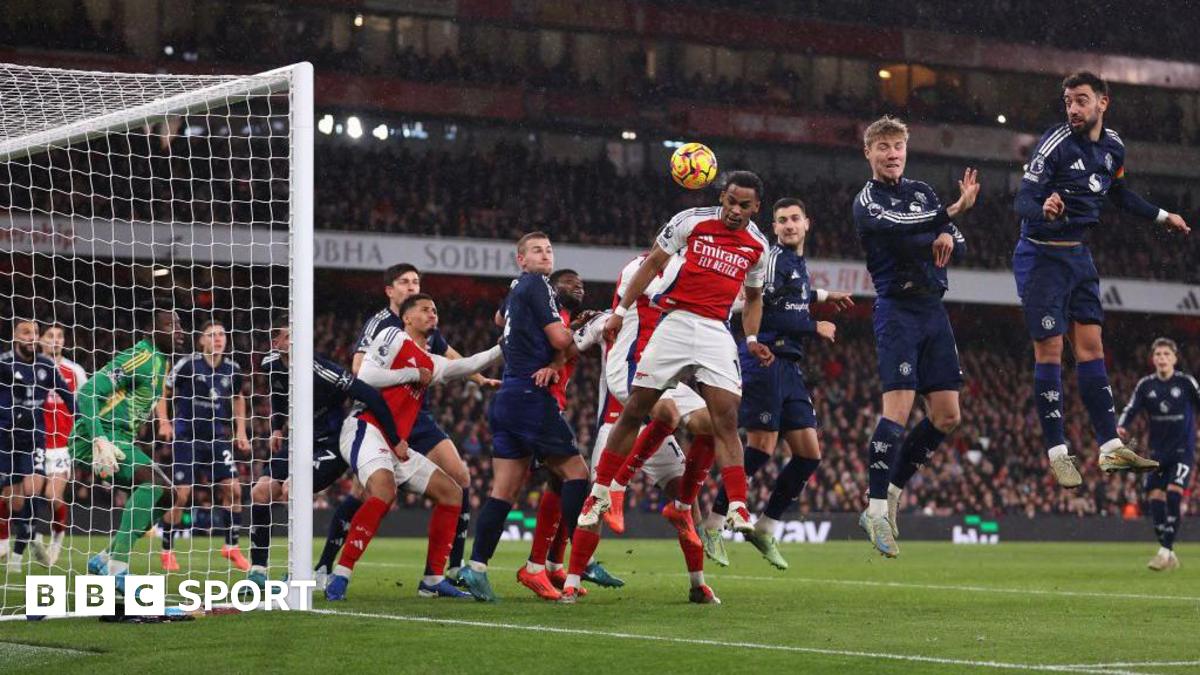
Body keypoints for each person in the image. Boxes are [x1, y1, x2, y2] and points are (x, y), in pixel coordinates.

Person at [572, 171, 774, 602]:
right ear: (723, 197)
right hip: (676, 322)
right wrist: (620, 310)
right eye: (731, 202)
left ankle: (737, 505)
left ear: (757, 207)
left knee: (726, 418)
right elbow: (651, 265)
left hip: (717, 330)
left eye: (745, 206)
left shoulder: (759, 246)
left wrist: (752, 338)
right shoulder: (690, 220)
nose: (736, 211)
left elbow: (754, 298)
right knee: (637, 408)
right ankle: (601, 493)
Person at [1013, 71, 1190, 487]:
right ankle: (1058, 452)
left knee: (1092, 349)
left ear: (1102, 103)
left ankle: (1110, 448)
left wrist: (1164, 216)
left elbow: (1120, 194)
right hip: (1040, 257)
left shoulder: (1113, 147)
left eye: (1081, 100)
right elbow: (1022, 198)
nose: (1073, 109)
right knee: (1051, 351)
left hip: (1079, 257)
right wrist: (1045, 209)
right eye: (1068, 101)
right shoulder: (1055, 143)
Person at [701, 197, 852, 570]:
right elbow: (765, 305)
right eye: (781, 220)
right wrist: (815, 325)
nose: (788, 225)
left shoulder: (795, 263)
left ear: (806, 224)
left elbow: (793, 296)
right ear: (774, 227)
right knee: (762, 448)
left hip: (789, 365)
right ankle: (714, 523)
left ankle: (766, 528)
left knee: (808, 454)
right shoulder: (771, 258)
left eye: (794, 219)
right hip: (765, 359)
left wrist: (824, 296)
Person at [851, 116, 974, 557]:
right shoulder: (867, 201)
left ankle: (896, 489)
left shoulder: (923, 192)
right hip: (897, 311)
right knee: (898, 413)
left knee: (947, 416)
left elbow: (958, 242)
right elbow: (901, 230)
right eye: (882, 146)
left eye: (898, 146)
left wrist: (946, 232)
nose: (891, 154)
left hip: (932, 310)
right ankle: (875, 509)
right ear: (869, 153)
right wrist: (949, 215)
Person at [326, 294, 502, 600]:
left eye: (435, 310)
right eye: (425, 310)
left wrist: (504, 346)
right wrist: (410, 374)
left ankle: (432, 580)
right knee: (384, 490)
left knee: (452, 493)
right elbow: (365, 375)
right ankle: (340, 575)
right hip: (365, 427)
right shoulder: (392, 335)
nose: (433, 314)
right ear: (407, 318)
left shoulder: (432, 362)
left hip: (398, 444)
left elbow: (468, 364)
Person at [462, 232, 591, 603]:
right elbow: (560, 339)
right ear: (522, 259)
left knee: (503, 491)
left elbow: (499, 316)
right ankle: (571, 562)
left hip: (508, 395)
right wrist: (582, 329)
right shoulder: (536, 284)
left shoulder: (518, 287)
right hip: (532, 396)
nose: (546, 254)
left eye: (549, 249)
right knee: (577, 474)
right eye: (537, 250)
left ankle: (477, 567)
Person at [245, 316, 406, 589]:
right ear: (276, 343)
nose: (294, 340)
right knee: (260, 492)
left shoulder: (321, 369)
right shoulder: (270, 365)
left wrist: (395, 439)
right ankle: (258, 572)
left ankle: (300, 570)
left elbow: (371, 395)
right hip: (297, 441)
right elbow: (279, 396)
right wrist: (276, 428)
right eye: (288, 336)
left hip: (331, 441)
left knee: (291, 489)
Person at [73, 306, 183, 590]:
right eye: (171, 325)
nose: (180, 332)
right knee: (153, 484)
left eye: (180, 325)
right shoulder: (140, 356)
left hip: (119, 438)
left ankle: (104, 559)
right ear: (152, 330)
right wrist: (99, 439)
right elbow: (87, 393)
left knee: (167, 495)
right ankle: (117, 569)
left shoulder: (162, 362)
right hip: (93, 437)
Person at [156, 320, 251, 572]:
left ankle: (231, 546)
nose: (218, 338)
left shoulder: (233, 369)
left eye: (221, 334)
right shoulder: (188, 364)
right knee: (181, 495)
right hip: (187, 438)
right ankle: (167, 550)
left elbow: (239, 397)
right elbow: (162, 392)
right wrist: (164, 422)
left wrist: (240, 430)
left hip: (217, 438)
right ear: (201, 340)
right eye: (211, 334)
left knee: (234, 490)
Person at [1117, 338, 1200, 571]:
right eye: (1158, 354)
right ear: (1153, 359)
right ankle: (1169, 552)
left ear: (1175, 358)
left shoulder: (1185, 383)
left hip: (1183, 450)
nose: (1162, 358)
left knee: (1174, 492)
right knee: (1154, 498)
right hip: (1157, 452)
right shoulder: (1146, 385)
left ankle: (1163, 551)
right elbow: (1131, 408)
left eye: (1166, 354)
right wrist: (1122, 426)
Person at [0, 319, 75, 570]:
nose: (32, 337)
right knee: (14, 500)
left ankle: (33, 546)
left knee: (40, 493)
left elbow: (72, 398)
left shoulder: (55, 368)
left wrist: (90, 429)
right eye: (26, 333)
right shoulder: (5, 364)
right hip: (8, 438)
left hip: (42, 440)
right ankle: (15, 539)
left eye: (34, 333)